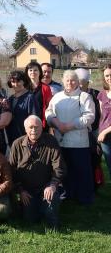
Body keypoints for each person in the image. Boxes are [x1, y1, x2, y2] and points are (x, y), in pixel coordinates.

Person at [46, 70, 95, 205]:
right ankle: (68, 194)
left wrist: (69, 126)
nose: (70, 82)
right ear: (63, 81)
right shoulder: (57, 97)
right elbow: (49, 112)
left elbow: (89, 116)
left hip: (79, 141)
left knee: (82, 170)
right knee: (65, 171)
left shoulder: (84, 96)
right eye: (67, 80)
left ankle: (85, 197)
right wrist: (57, 124)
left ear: (78, 82)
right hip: (60, 141)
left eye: (73, 80)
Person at [9, 115, 66, 229]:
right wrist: (20, 191)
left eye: (37, 127)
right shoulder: (17, 144)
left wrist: (53, 185)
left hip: (46, 186)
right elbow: (12, 170)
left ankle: (52, 220)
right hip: (27, 190)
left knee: (50, 207)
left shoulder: (51, 141)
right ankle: (37, 208)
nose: (34, 130)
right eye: (30, 127)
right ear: (25, 129)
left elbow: (59, 167)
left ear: (42, 127)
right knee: (30, 219)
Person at [6, 70, 38, 146]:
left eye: (18, 81)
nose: (16, 84)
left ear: (24, 81)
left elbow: (34, 119)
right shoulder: (10, 99)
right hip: (12, 137)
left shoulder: (30, 97)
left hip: (26, 138)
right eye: (13, 82)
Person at [25, 62, 52, 130]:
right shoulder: (23, 87)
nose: (33, 72)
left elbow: (50, 106)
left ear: (40, 72)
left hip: (40, 123)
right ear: (27, 72)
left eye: (35, 70)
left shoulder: (45, 88)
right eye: (30, 70)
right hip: (25, 121)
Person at [97, 64, 111, 177]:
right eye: (106, 75)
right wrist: (101, 131)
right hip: (105, 138)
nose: (109, 77)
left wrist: (104, 131)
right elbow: (102, 116)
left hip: (105, 133)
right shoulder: (102, 94)